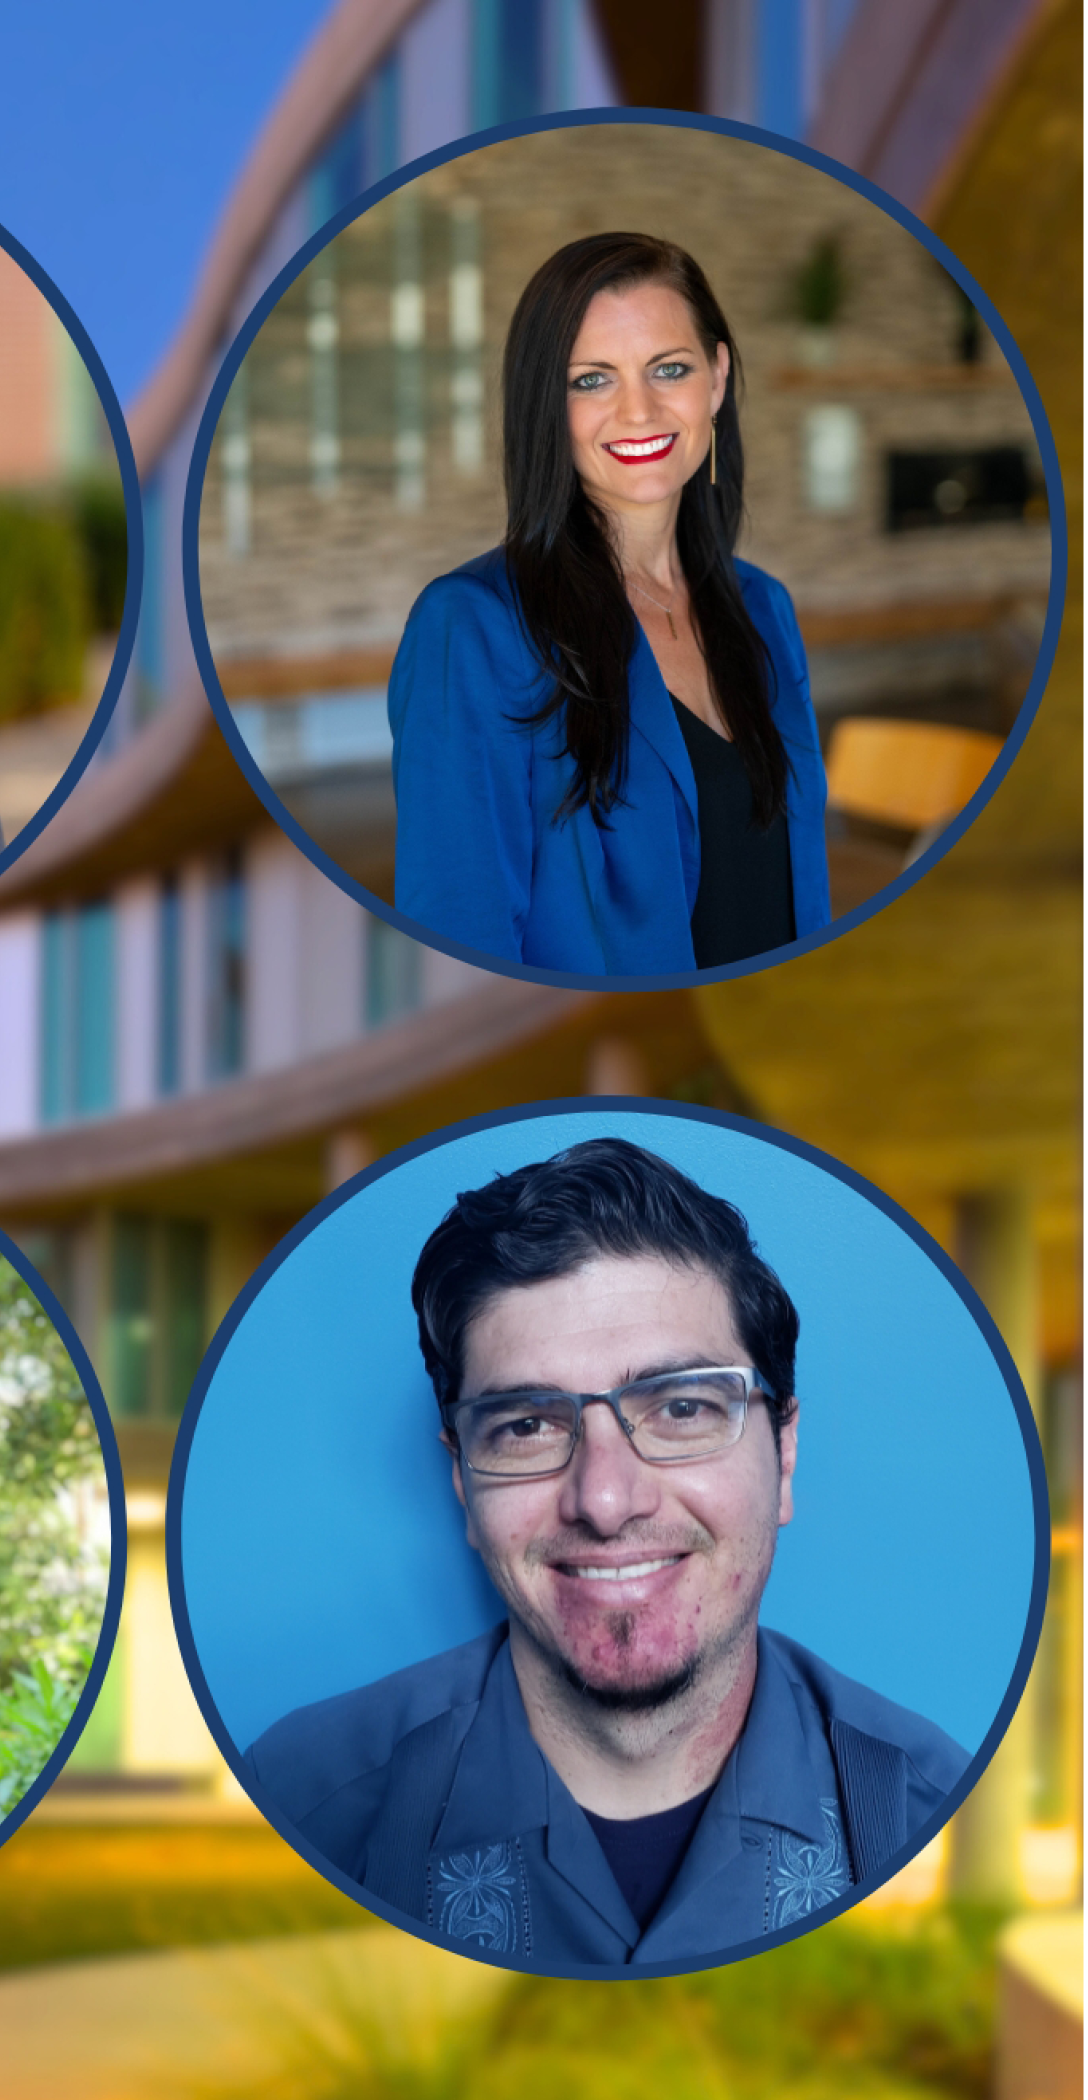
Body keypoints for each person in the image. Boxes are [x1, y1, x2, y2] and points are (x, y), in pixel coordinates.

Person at [245, 1139, 965, 1965]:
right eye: (525, 1426)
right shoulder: (298, 1802)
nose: (605, 1500)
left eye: (683, 1410)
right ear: (461, 1485)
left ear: (784, 1454)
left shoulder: (936, 1813)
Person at [386, 233, 827, 975]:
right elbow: (458, 944)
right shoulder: (471, 628)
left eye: (669, 369)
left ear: (715, 381)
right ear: (545, 404)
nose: (638, 409)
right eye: (591, 380)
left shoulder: (764, 610)